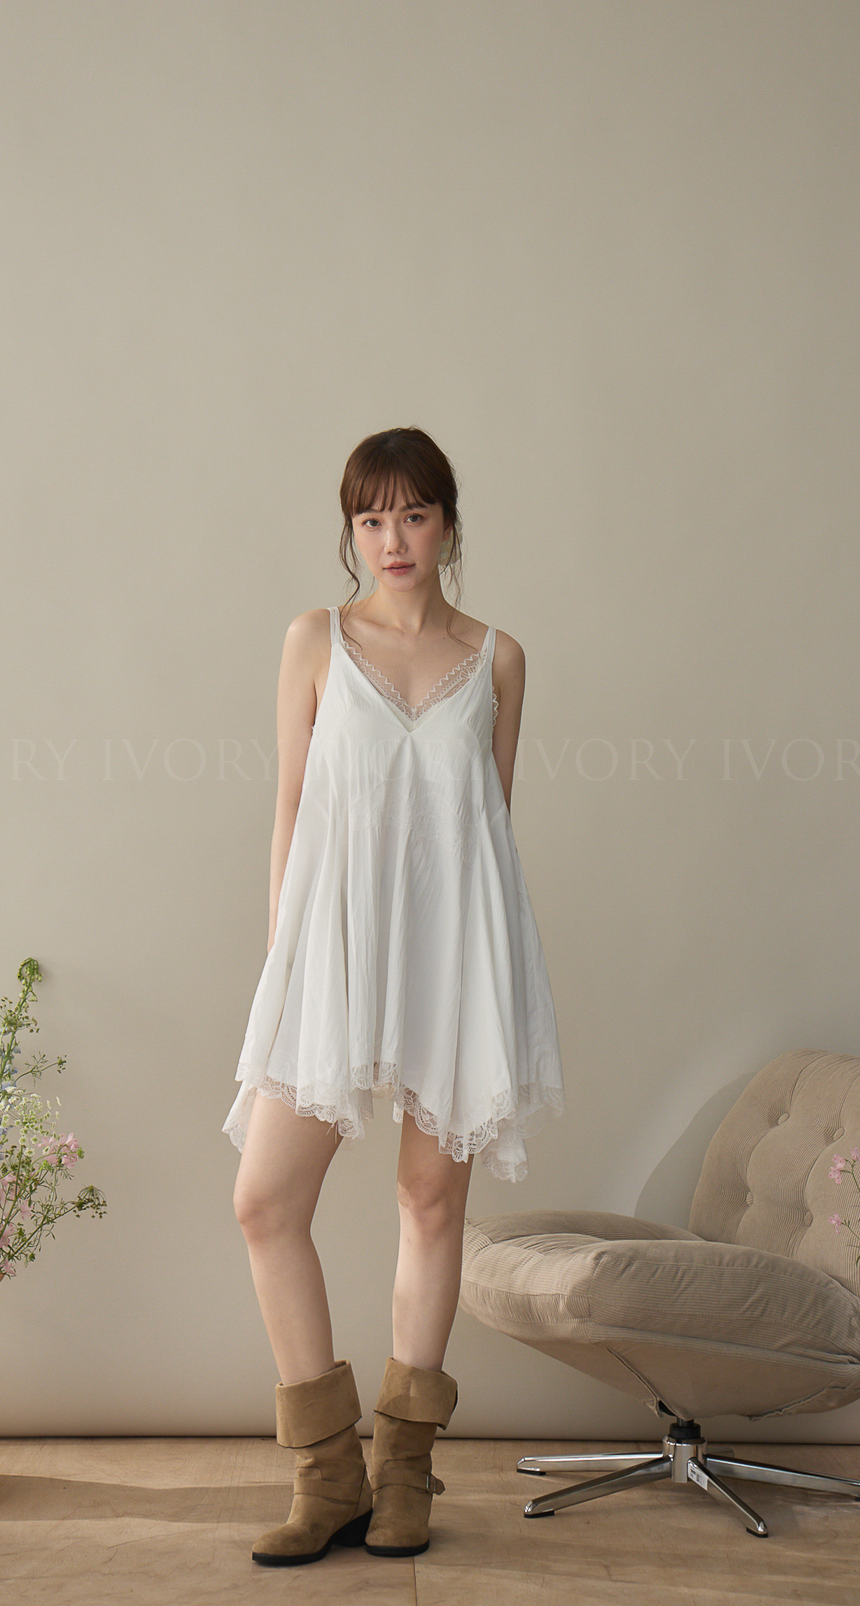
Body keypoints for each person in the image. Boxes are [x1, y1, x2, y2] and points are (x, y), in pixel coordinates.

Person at [225, 427, 564, 1566]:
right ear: (351, 531)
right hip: (331, 953)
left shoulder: (500, 660)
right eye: (370, 519)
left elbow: (485, 835)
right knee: (265, 1201)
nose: (392, 539)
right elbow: (288, 809)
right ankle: (327, 1479)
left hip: (453, 959)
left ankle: (405, 1473)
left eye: (413, 514)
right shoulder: (314, 641)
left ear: (448, 523)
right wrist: (284, 962)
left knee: (428, 1203)